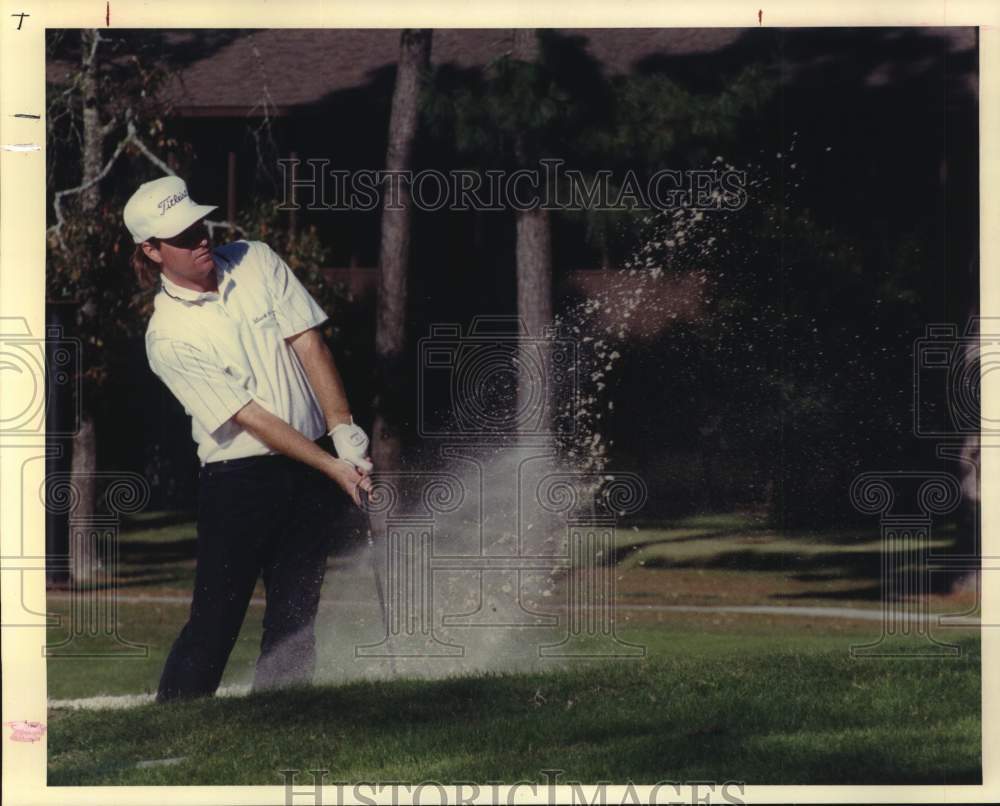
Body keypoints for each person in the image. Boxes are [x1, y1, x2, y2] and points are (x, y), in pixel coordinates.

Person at [123, 175, 374, 702]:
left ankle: (279, 722)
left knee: (295, 616)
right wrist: (331, 467)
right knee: (216, 622)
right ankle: (175, 727)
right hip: (238, 483)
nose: (200, 239)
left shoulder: (255, 259)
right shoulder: (166, 335)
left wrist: (344, 432)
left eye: (199, 225)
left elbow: (308, 342)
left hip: (309, 463)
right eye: (181, 236)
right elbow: (249, 417)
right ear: (151, 250)